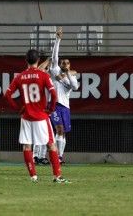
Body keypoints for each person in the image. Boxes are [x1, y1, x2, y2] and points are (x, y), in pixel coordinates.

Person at [4, 49, 69, 183]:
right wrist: (50, 109)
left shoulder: (20, 77)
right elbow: (54, 94)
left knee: (27, 146)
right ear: (38, 60)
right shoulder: (43, 75)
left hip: (26, 116)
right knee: (51, 144)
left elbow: (7, 95)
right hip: (41, 116)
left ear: (26, 60)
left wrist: (18, 109)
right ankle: (57, 176)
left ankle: (33, 176)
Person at [48, 28, 79, 164]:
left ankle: (60, 156)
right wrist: (58, 39)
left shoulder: (70, 77)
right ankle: (57, 157)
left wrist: (67, 74)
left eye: (67, 63)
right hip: (54, 105)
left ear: (69, 65)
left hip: (65, 107)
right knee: (59, 129)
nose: (64, 64)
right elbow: (54, 56)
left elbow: (75, 87)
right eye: (63, 63)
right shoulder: (55, 70)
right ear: (60, 64)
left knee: (63, 132)